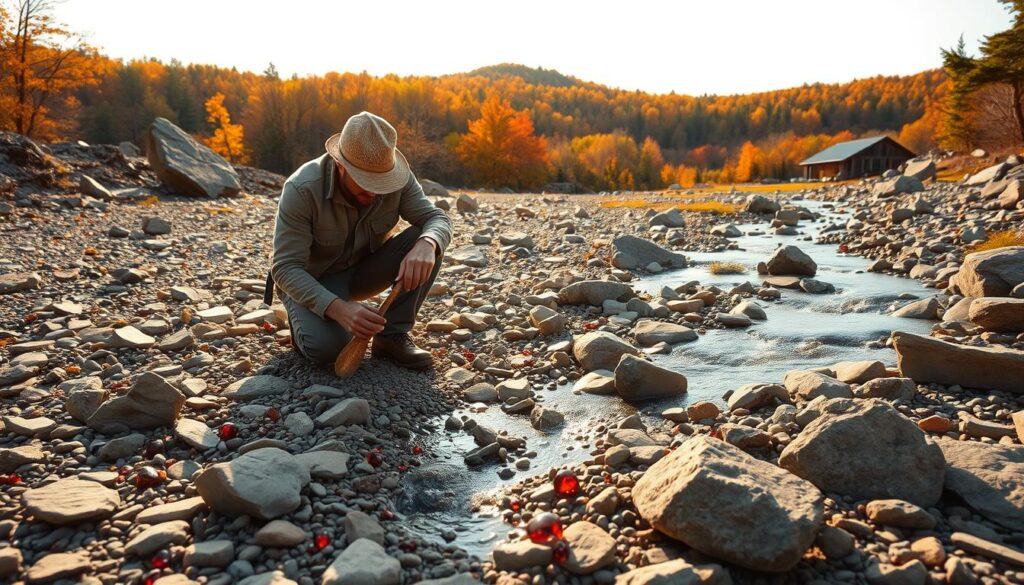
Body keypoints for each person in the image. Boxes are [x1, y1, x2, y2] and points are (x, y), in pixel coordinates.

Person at [268, 111, 452, 369]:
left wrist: (428, 244)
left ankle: (391, 336)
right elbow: (285, 268)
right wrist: (338, 309)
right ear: (340, 165)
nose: (376, 190)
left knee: (427, 239)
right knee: (325, 351)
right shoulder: (302, 189)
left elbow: (436, 218)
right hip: (313, 280)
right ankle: (304, 319)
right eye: (366, 182)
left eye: (382, 182)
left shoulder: (397, 176)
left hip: (364, 273)